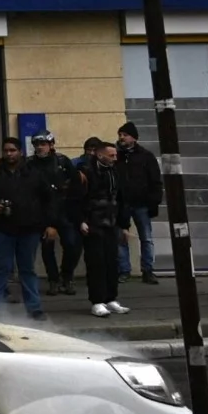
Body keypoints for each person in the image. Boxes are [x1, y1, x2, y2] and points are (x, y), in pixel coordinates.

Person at [0, 137, 50, 320]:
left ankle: (34, 308)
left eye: (12, 150)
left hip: (29, 229)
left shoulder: (34, 173)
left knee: (27, 269)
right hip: (2, 228)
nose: (9, 154)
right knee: (2, 268)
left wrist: (50, 224)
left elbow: (48, 200)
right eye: (6, 150)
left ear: (20, 152)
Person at [75, 137, 127, 316]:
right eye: (110, 155)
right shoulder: (85, 172)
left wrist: (123, 224)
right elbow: (75, 199)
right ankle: (97, 301)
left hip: (111, 223)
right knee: (96, 263)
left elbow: (121, 199)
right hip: (93, 224)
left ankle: (111, 298)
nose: (114, 158)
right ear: (99, 155)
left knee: (112, 262)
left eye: (115, 155)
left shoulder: (115, 171)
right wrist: (80, 220)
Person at [25, 132, 77, 294]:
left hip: (64, 211)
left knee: (71, 245)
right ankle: (53, 279)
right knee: (48, 247)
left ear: (51, 145)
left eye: (43, 144)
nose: (40, 147)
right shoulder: (29, 164)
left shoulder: (62, 161)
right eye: (37, 144)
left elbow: (75, 184)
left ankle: (67, 277)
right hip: (42, 212)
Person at [111, 122, 163, 282]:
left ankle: (148, 270)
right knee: (121, 238)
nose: (121, 138)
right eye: (120, 135)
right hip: (122, 203)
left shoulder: (146, 156)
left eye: (125, 135)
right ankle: (124, 270)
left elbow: (155, 180)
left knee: (146, 238)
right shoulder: (116, 156)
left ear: (134, 137)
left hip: (141, 203)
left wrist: (154, 202)